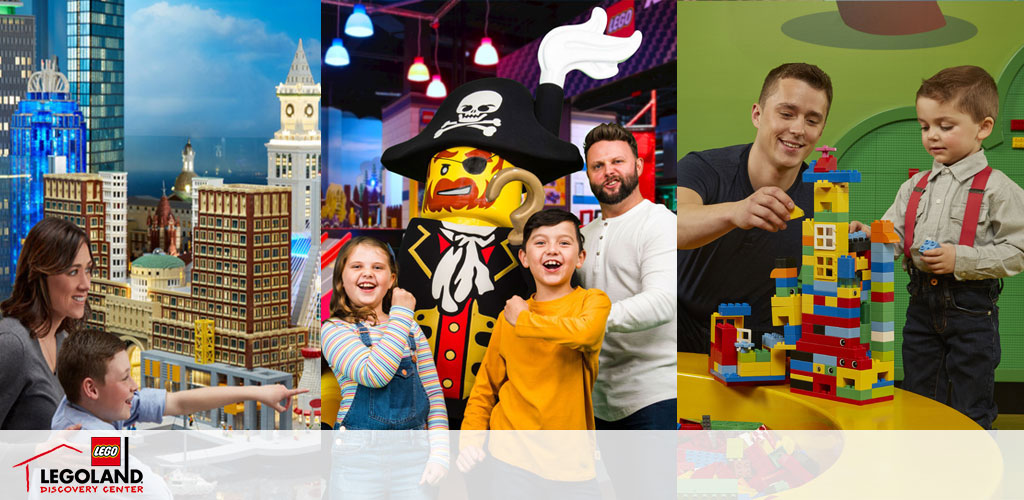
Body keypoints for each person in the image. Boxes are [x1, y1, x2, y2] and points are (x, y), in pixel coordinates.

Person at [850, 66, 1024, 429]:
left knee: (969, 404)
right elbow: (894, 238)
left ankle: (974, 475)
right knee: (919, 397)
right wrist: (867, 235)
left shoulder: (998, 188)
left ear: (984, 128)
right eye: (925, 126)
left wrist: (961, 258)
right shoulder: (913, 187)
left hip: (972, 311)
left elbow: (1018, 250)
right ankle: (924, 473)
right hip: (920, 309)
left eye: (946, 126)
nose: (932, 136)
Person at [677, 63, 832, 353]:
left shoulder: (823, 195)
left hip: (766, 348)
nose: (797, 129)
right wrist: (737, 211)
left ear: (821, 130)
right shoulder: (703, 168)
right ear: (757, 115)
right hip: (683, 334)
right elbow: (673, 225)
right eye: (786, 114)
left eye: (812, 120)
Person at [457, 209, 610, 497]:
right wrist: (470, 440)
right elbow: (485, 389)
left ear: (580, 257)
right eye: (540, 242)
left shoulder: (592, 302)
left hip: (571, 464)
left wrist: (524, 320)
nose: (552, 249)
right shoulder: (508, 318)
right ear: (524, 258)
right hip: (508, 459)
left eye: (564, 243)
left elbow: (584, 333)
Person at [321, 236, 448, 498]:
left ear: (391, 280)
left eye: (377, 267)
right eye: (356, 266)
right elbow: (374, 374)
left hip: (415, 456)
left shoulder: (410, 328)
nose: (367, 272)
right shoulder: (334, 330)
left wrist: (440, 453)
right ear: (341, 278)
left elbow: (433, 394)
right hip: (358, 459)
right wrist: (402, 314)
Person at [50, 328, 306, 430]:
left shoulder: (94, 406)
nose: (134, 385)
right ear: (91, 388)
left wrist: (256, 393)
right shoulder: (88, 441)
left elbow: (180, 403)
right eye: (125, 378)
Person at [0, 217, 93, 429]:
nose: (85, 284)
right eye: (73, 272)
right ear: (41, 275)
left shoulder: (63, 341)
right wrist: (38, 451)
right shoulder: (12, 345)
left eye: (88, 269)